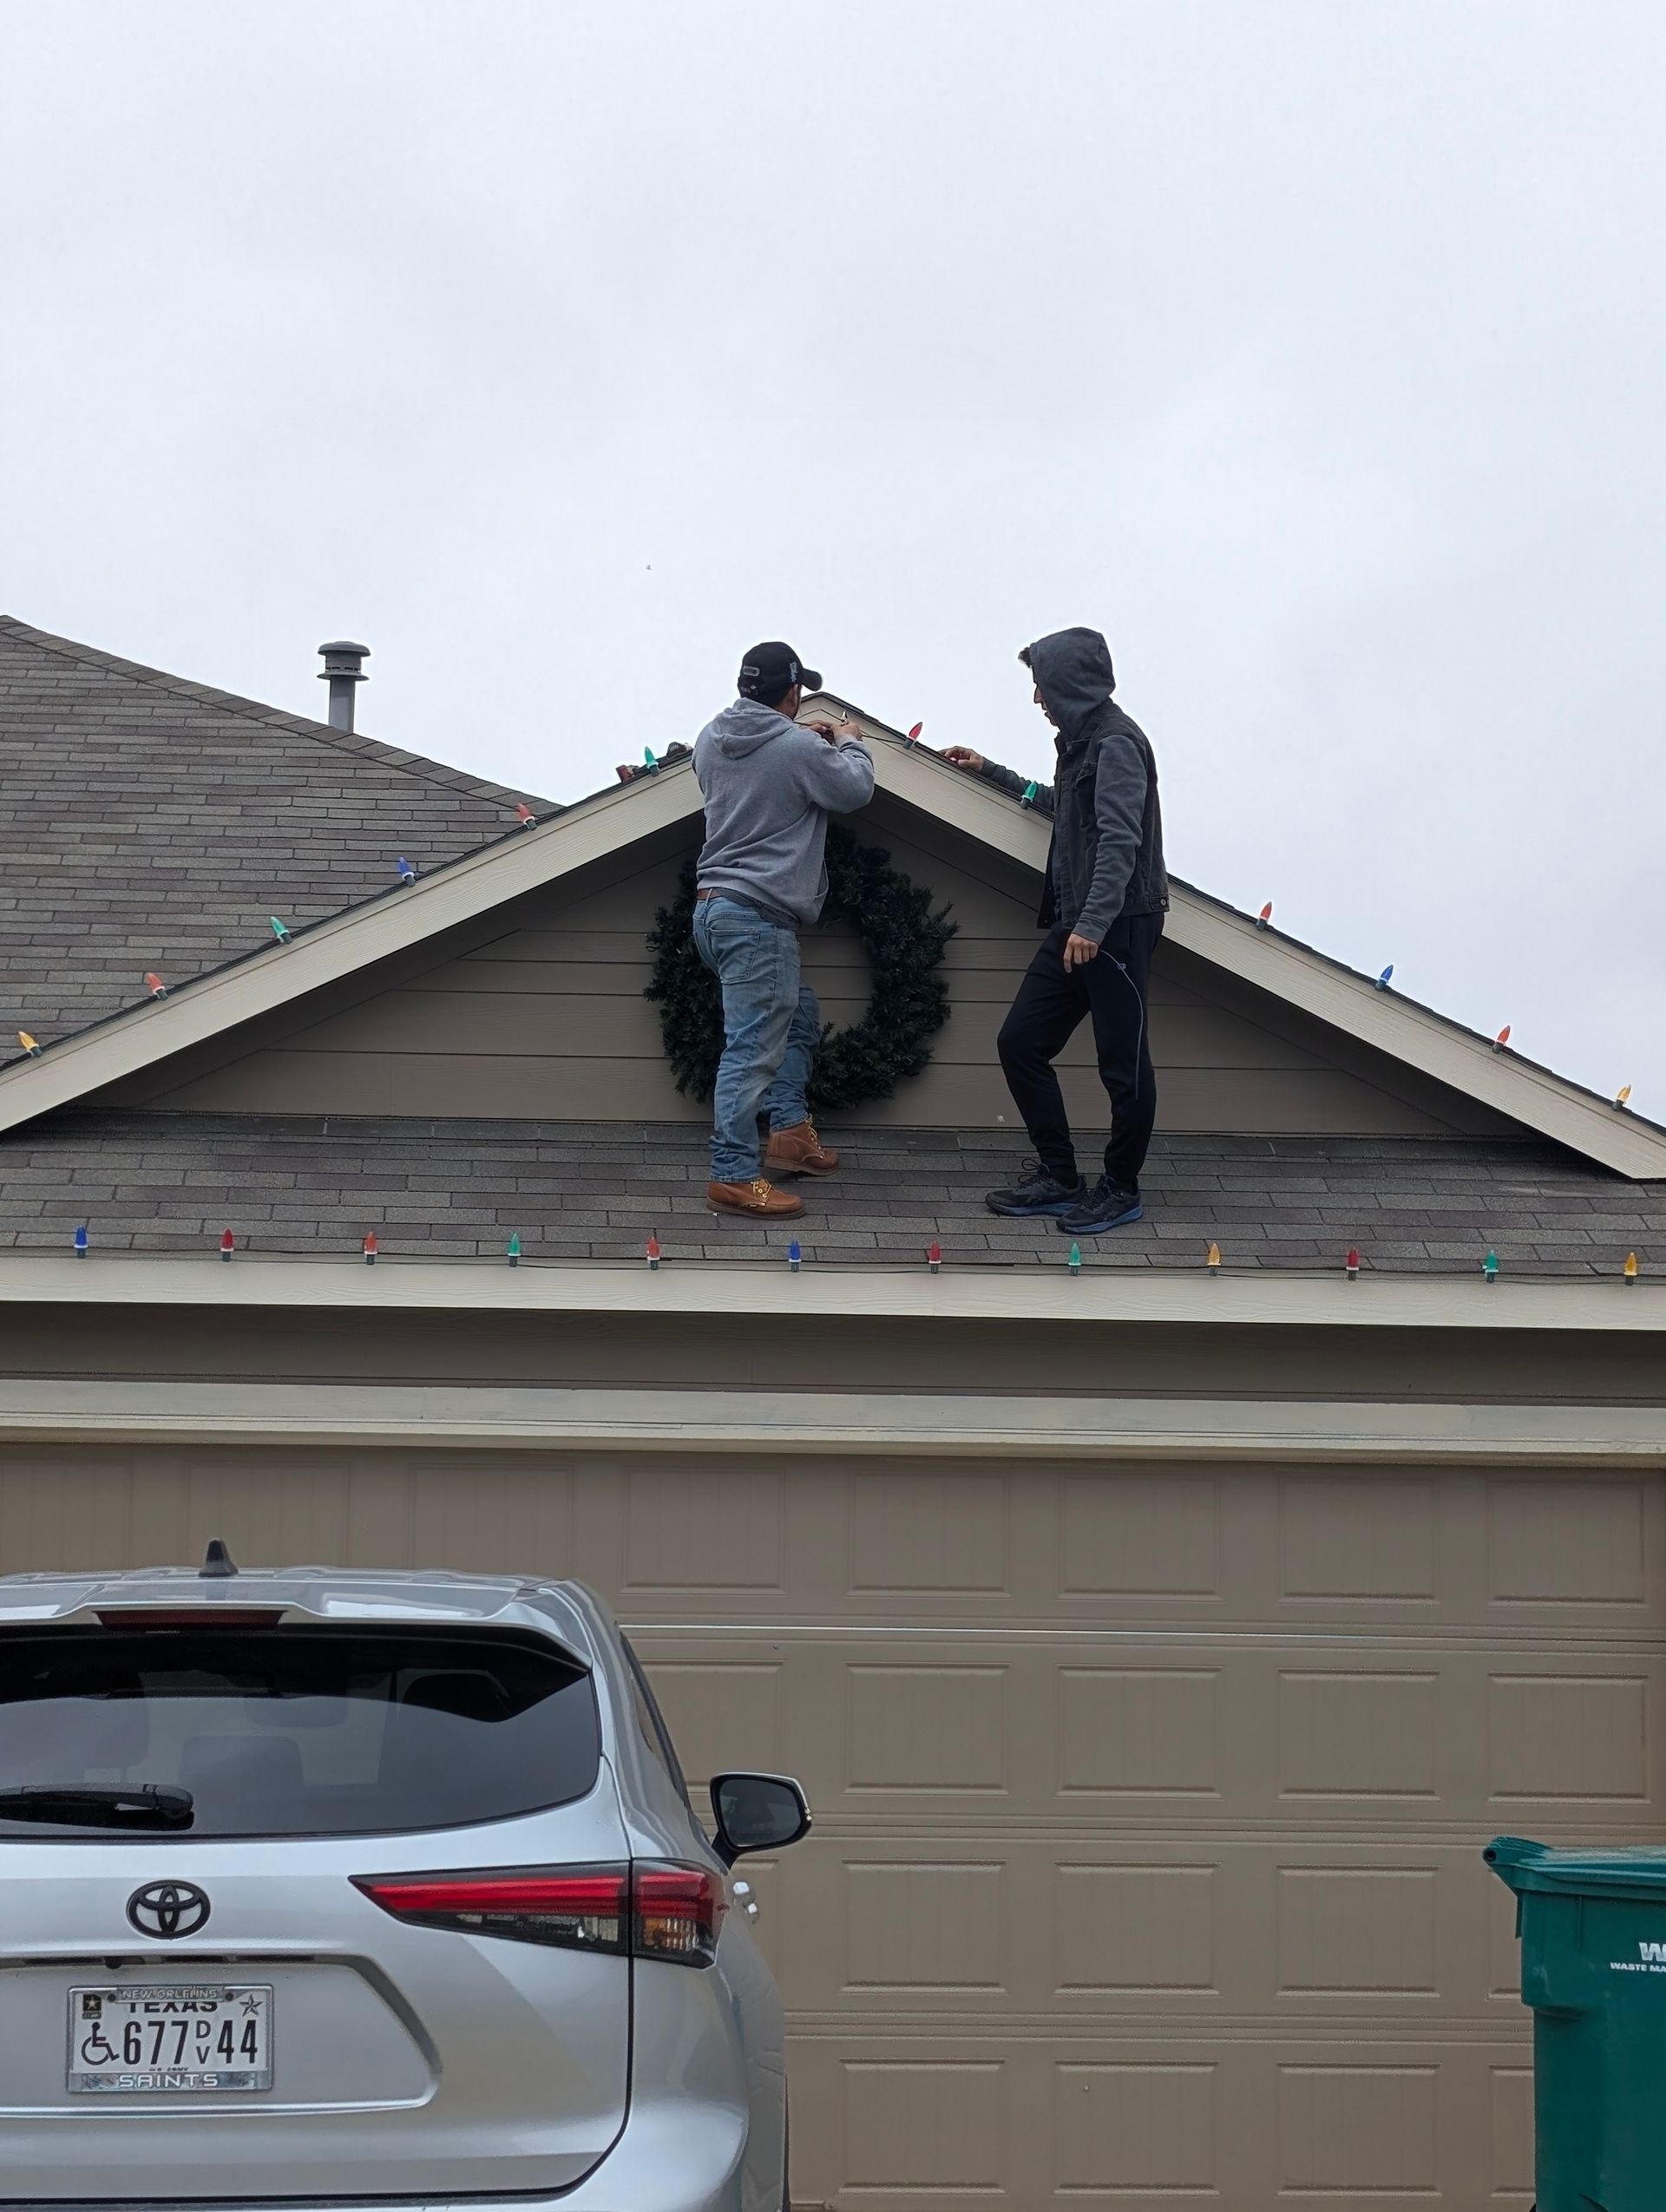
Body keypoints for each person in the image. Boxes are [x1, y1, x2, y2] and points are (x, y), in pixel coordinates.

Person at [943, 626, 1167, 1235]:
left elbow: (1122, 840)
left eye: (1041, 684)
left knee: (1122, 1065)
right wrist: (994, 774)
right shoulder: (1080, 745)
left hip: (1116, 923)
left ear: (1068, 683)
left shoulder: (1117, 744)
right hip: (1079, 920)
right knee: (1021, 1041)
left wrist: (1094, 924)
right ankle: (1060, 1176)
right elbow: (1065, 809)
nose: (1037, 697)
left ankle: (1119, 1187)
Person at [692, 642, 876, 1219]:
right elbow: (853, 789)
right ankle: (733, 1176)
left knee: (796, 1017)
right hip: (757, 919)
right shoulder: (798, 747)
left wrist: (801, 742)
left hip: (713, 913)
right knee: (751, 1050)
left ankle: (791, 1133)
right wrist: (849, 740)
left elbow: (758, 774)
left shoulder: (708, 739)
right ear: (793, 693)